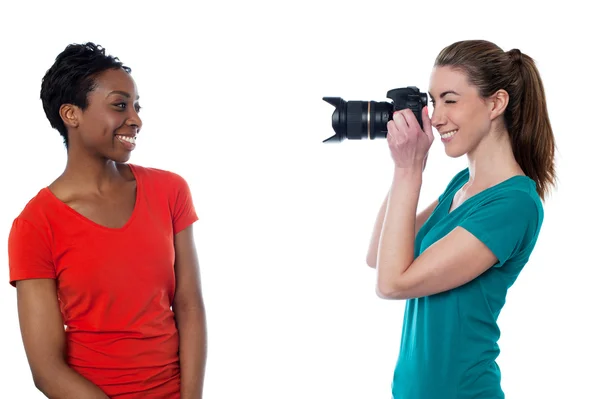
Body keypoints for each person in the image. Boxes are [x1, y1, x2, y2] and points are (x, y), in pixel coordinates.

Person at [8, 42, 207, 398]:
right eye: (120, 105)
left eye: (136, 106)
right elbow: (46, 369)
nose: (136, 118)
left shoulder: (169, 190)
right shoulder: (35, 224)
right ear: (72, 115)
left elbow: (189, 304)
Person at [366, 39, 556, 398]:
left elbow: (392, 284)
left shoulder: (513, 204)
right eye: (434, 101)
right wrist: (406, 167)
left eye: (450, 100)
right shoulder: (461, 186)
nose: (436, 118)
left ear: (496, 103)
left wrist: (410, 172)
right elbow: (378, 255)